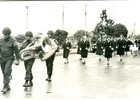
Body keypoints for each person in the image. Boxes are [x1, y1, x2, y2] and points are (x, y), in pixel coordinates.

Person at [0, 27, 19, 93]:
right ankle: (7, 85)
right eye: (3, 34)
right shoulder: (1, 40)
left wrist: (17, 59)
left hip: (9, 58)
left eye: (6, 35)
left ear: (9, 34)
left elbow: (16, 51)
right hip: (2, 58)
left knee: (6, 72)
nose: (4, 36)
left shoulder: (13, 41)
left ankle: (5, 86)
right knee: (4, 73)